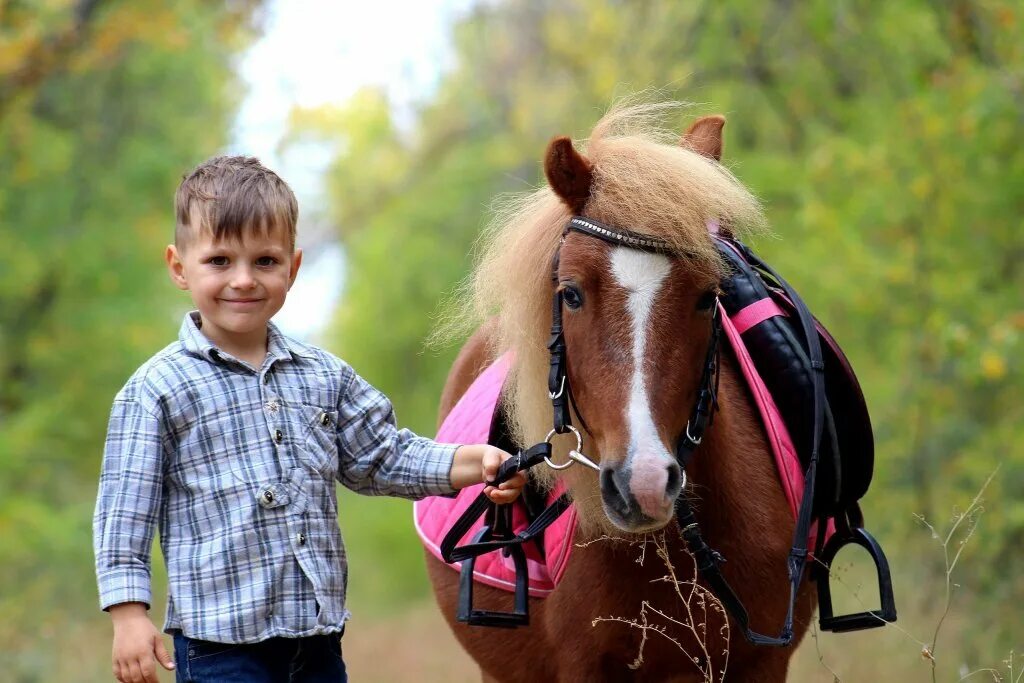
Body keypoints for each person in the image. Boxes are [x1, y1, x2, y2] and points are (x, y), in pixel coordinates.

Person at [93, 156, 525, 683]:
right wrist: (128, 614)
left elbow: (382, 455)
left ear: (293, 268)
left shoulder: (324, 375)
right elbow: (125, 514)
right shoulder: (156, 390)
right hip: (219, 647)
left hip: (316, 641)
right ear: (180, 267)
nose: (244, 280)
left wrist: (470, 461)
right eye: (220, 261)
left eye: (266, 261)